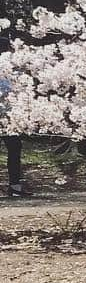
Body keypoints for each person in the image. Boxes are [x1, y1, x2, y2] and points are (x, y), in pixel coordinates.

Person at [0, 35, 22, 198]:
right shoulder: (10, 67)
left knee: (15, 149)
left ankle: (15, 186)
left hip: (9, 115)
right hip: (7, 114)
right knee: (14, 150)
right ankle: (15, 187)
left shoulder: (12, 68)